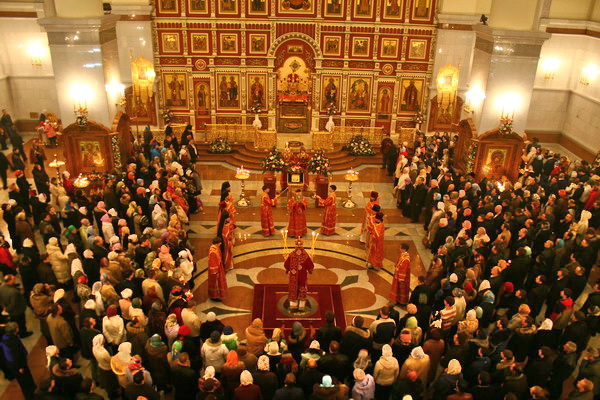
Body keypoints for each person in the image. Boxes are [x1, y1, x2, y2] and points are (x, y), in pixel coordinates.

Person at [0, 322, 36, 398]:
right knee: (23, 381)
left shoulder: (6, 337)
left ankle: (32, 387)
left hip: (17, 363)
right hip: (17, 365)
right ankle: (29, 395)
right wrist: (20, 367)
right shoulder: (12, 342)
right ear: (16, 330)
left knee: (27, 376)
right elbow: (16, 356)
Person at [284, 238, 315, 311]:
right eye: (298, 245)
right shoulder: (303, 255)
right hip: (299, 276)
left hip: (297, 276)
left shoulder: (293, 254)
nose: (298, 246)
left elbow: (286, 264)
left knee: (298, 288)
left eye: (299, 245)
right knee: (299, 288)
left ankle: (296, 305)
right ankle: (298, 306)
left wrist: (288, 269)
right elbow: (310, 265)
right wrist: (310, 269)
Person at [208, 236, 227, 301]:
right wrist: (215, 272)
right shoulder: (213, 251)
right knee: (215, 284)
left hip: (219, 267)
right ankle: (214, 296)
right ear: (217, 243)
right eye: (220, 242)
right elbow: (212, 262)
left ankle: (217, 295)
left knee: (219, 283)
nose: (220, 244)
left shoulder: (215, 248)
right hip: (215, 271)